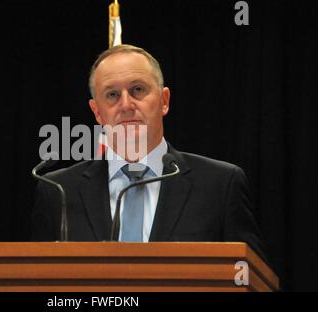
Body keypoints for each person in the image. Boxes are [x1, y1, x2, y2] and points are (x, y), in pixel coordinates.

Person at [32, 44, 267, 262]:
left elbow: (249, 277)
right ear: (97, 112)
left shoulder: (220, 185)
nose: (125, 105)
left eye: (137, 89)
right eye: (112, 95)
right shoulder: (58, 191)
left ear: (164, 101)